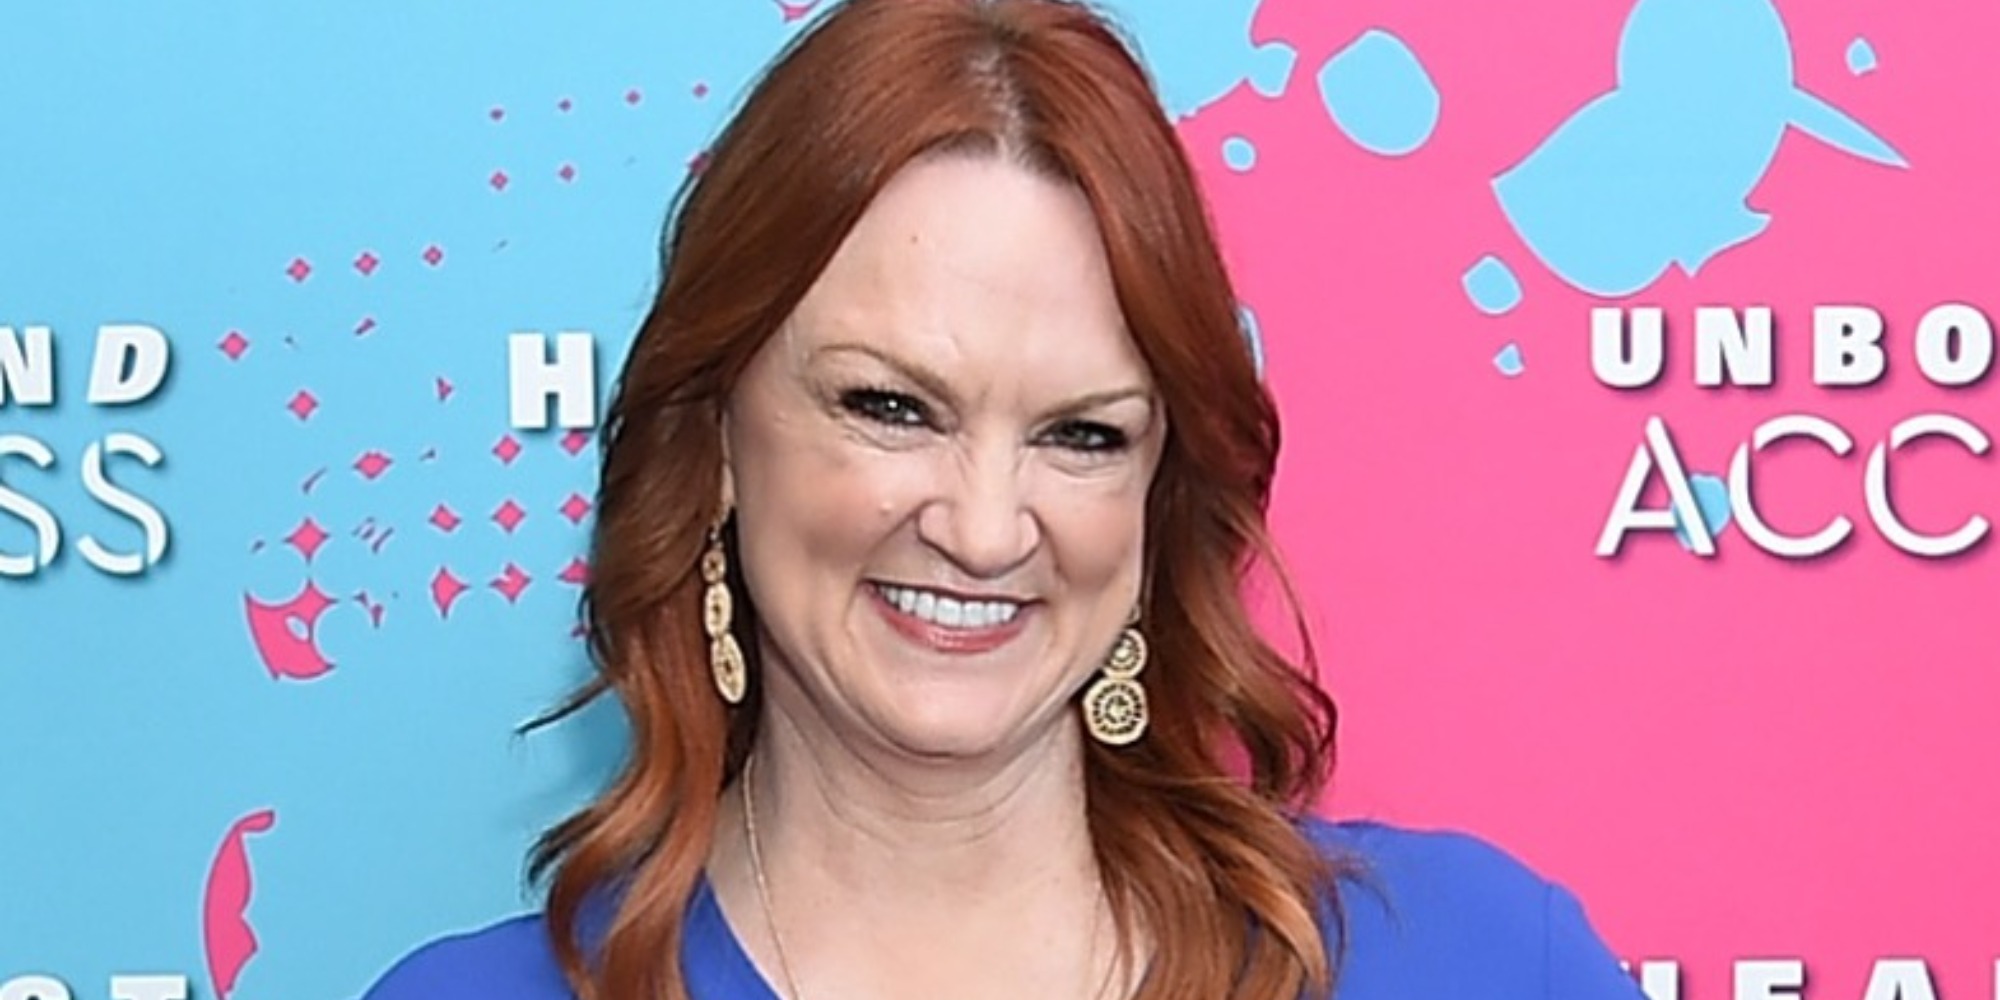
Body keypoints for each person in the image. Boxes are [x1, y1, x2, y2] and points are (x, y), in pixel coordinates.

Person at [363, 1, 1647, 997]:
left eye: (1080, 434)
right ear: (713, 438)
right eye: (889, 407)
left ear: (1157, 492)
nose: (982, 529)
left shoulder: (1473, 960)